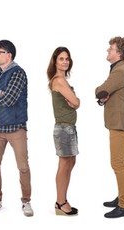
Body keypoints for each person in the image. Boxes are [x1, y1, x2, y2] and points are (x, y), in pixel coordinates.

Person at [0, 39, 33, 217]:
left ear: (8, 55)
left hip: (16, 127)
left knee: (23, 167)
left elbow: (9, 100)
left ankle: (26, 201)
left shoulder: (19, 73)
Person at [97, 37, 124, 219]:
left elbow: (101, 90)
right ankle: (122, 197)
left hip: (119, 122)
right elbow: (106, 93)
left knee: (117, 163)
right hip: (119, 120)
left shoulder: (120, 71)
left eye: (110, 49)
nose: (107, 51)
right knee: (122, 162)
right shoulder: (119, 69)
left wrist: (102, 93)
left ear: (119, 53)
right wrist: (105, 95)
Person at [47, 46, 80, 216]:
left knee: (70, 163)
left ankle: (63, 199)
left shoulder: (63, 80)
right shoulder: (58, 80)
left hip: (69, 127)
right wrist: (75, 101)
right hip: (63, 128)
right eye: (61, 58)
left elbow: (75, 103)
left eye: (67, 59)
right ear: (55, 61)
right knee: (64, 165)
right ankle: (60, 202)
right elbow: (76, 101)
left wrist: (75, 102)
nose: (65, 61)